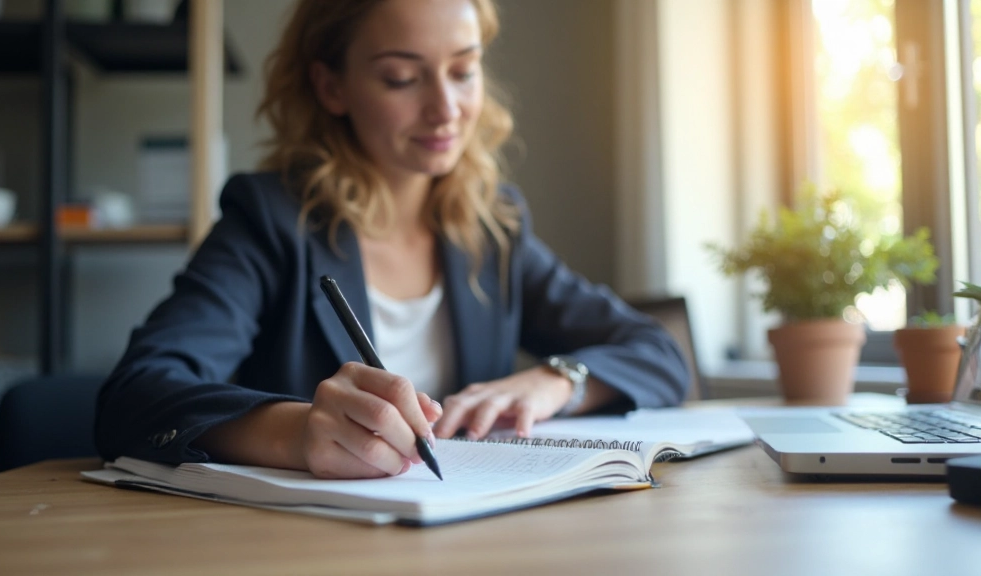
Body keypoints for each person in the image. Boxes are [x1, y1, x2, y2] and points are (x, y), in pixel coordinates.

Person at [94, 0, 689, 480]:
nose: (446, 109)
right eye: (402, 78)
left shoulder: (490, 227)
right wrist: (296, 432)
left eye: (463, 70)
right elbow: (137, 394)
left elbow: (656, 350)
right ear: (331, 87)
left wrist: (555, 379)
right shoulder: (270, 220)